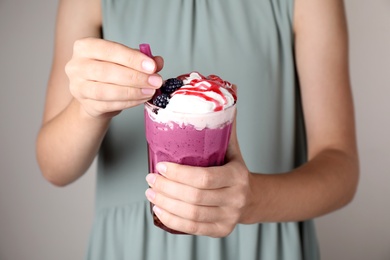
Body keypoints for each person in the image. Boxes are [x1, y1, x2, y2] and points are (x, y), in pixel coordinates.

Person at [36, 0, 359, 259]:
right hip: (132, 248)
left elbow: (341, 167)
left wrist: (252, 200)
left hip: (262, 244)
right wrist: (89, 107)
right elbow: (54, 166)